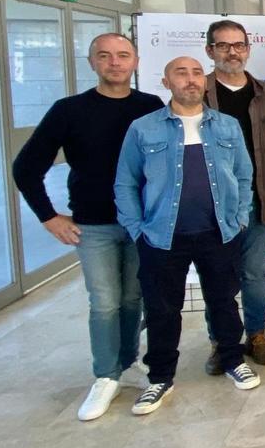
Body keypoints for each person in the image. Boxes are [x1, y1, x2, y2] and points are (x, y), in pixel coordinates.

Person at [11, 33, 162, 421]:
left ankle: (128, 363)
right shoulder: (69, 110)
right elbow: (26, 167)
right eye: (105, 56)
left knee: (133, 299)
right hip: (93, 224)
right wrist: (49, 216)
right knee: (105, 301)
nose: (115, 62)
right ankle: (105, 375)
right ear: (92, 62)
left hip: (142, 224)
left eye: (123, 55)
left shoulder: (151, 106)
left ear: (136, 61)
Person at [115, 57, 260, 415]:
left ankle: (232, 359)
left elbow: (244, 176)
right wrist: (138, 230)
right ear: (166, 82)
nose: (191, 80)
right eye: (181, 73)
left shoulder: (225, 126)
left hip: (219, 232)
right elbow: (126, 182)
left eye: (197, 73)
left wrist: (239, 218)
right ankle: (160, 378)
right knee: (163, 310)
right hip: (162, 237)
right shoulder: (144, 128)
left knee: (224, 301)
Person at [201, 20, 265, 374]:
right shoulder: (196, 93)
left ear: (248, 49)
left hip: (258, 199)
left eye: (238, 45)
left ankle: (257, 335)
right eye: (223, 46)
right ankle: (222, 342)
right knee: (216, 277)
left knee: (253, 274)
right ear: (210, 51)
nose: (232, 52)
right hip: (211, 205)